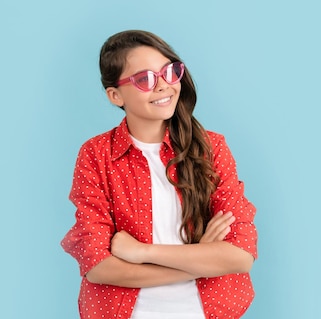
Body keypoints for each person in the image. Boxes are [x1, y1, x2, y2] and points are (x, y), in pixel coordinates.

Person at [61, 30, 258, 319]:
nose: (164, 86)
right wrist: (198, 258)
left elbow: (239, 256)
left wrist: (143, 253)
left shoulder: (211, 147)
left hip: (208, 310)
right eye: (144, 79)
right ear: (115, 95)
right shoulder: (96, 155)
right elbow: (98, 267)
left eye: (169, 72)